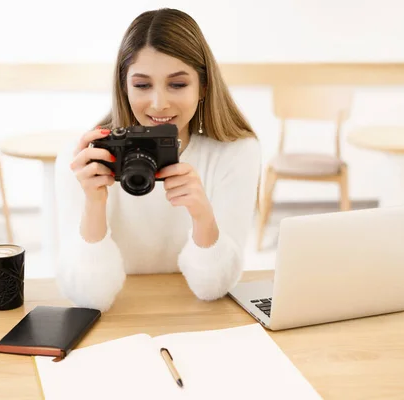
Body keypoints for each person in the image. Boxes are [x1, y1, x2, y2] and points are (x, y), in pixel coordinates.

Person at [54, 8, 261, 312]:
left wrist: (203, 217)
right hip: (117, 324)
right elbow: (89, 298)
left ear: (203, 86)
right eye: (142, 85)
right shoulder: (87, 158)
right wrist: (94, 206)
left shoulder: (235, 151)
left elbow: (213, 288)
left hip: (198, 319)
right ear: (124, 87)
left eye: (177, 84)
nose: (159, 103)